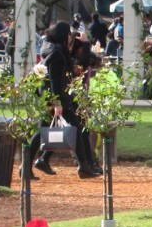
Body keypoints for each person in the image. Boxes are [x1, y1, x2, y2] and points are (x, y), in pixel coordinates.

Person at [30, 21, 102, 179]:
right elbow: (55, 80)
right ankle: (84, 166)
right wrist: (57, 103)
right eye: (69, 34)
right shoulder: (56, 53)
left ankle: (83, 166)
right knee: (71, 127)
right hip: (56, 98)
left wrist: (84, 44)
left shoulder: (52, 48)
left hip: (55, 97)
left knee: (46, 130)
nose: (70, 37)